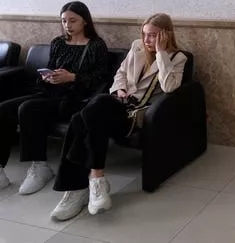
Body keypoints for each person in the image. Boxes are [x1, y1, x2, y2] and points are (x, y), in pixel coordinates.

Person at [50, 13, 187, 221]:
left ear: (166, 35)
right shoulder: (136, 47)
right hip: (117, 105)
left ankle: (82, 185)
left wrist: (161, 53)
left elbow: (169, 87)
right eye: (145, 34)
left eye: (153, 36)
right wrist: (119, 91)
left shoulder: (177, 58)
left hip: (135, 116)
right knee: (88, 114)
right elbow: (120, 74)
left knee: (84, 116)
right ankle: (91, 182)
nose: (147, 40)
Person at [0, 1, 109, 194]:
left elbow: (101, 78)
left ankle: (39, 166)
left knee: (28, 108)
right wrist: (47, 77)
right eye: (64, 21)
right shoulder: (58, 43)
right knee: (4, 108)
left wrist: (73, 77)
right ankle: (0, 169)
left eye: (73, 20)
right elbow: (50, 67)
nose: (68, 25)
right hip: (50, 93)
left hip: (75, 99)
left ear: (85, 21)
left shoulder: (96, 46)